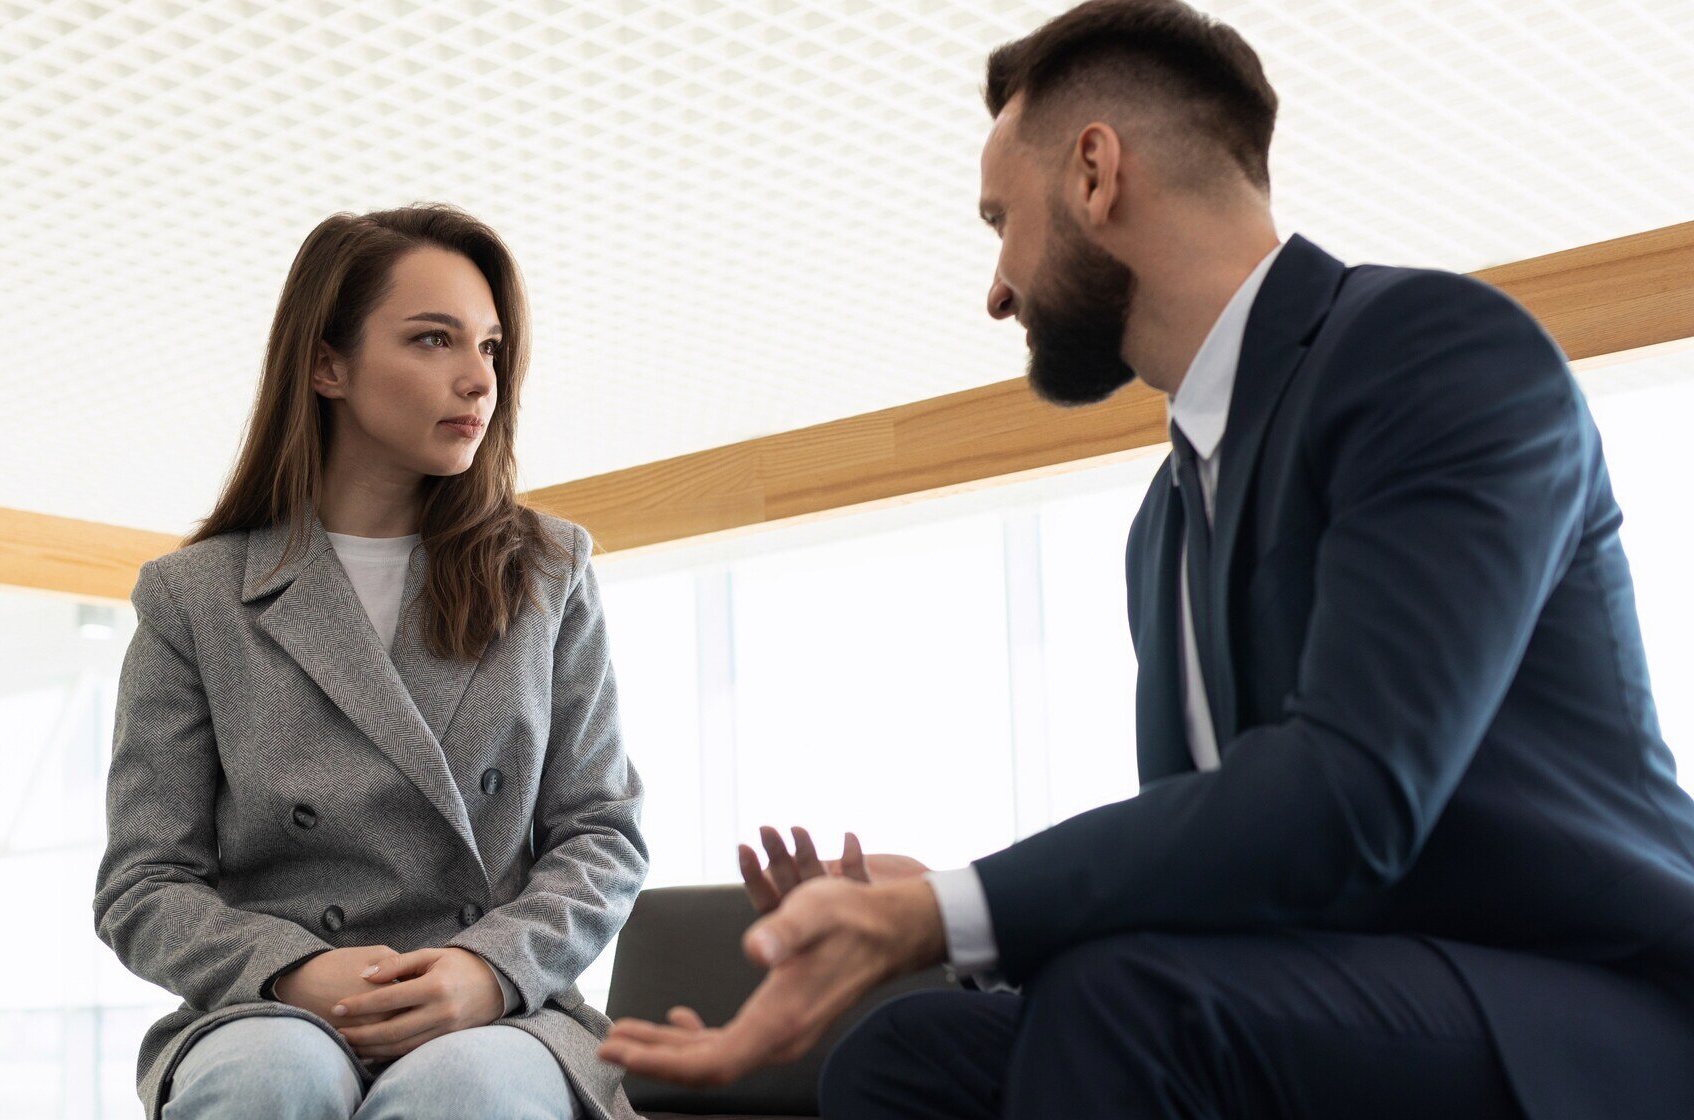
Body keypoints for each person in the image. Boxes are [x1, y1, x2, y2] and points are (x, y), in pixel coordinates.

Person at [597, 2, 1694, 1117]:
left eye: (999, 220)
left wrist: (948, 909)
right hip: (1339, 997)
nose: (996, 290)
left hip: (1581, 1009)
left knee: (1124, 1002)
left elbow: (1349, 796)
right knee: (908, 1049)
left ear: (1092, 174)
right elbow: (1229, 857)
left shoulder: (1430, 352)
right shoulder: (1166, 518)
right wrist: (936, 902)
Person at [93, 203, 648, 1120]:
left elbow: (602, 835)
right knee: (268, 1079)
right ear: (327, 364)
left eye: (491, 347)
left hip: (503, 1014)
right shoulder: (192, 598)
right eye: (433, 340)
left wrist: (488, 969)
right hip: (271, 1007)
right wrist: (294, 973)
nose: (479, 380)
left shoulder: (549, 570)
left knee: (463, 1092)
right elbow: (143, 882)